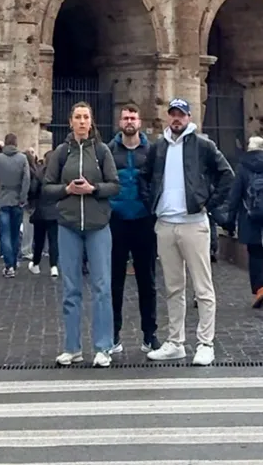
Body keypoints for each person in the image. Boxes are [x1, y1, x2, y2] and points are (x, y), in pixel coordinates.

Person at [144, 97, 233, 366]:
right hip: (166, 223)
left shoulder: (204, 145)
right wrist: (152, 201)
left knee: (202, 287)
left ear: (189, 117)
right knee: (173, 287)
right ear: (167, 117)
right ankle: (175, 342)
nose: (176, 119)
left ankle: (205, 343)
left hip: (194, 222)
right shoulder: (158, 146)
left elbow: (227, 175)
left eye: (181, 115)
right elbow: (145, 176)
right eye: (172, 114)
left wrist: (208, 203)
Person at [41, 101, 120, 367]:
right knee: (71, 289)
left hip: (98, 226)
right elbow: (47, 187)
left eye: (86, 117)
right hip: (69, 225)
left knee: (101, 288)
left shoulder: (102, 151)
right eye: (78, 117)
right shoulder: (61, 153)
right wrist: (67, 190)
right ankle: (72, 347)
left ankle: (102, 347)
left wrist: (93, 188)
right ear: (70, 122)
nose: (82, 121)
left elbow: (114, 185)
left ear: (91, 121)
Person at [107, 103, 160, 354]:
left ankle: (150, 334)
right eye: (126, 117)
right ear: (120, 122)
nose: (129, 121)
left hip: (144, 220)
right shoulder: (108, 151)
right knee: (114, 280)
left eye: (133, 117)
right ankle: (113, 334)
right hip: (116, 221)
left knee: (147, 281)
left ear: (139, 122)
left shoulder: (151, 151)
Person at [225, 136, 263, 307]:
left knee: (255, 255)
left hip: (249, 219)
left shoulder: (242, 169)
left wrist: (230, 220)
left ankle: (260, 290)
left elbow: (235, 197)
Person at [0, 132, 30, 277]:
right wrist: (23, 197)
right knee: (14, 233)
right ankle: (13, 262)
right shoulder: (23, 158)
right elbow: (26, 180)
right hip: (17, 199)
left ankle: (9, 265)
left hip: (3, 199)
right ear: (16, 143)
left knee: (4, 234)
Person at [28, 148, 60, 276]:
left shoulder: (39, 174)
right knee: (54, 240)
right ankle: (54, 266)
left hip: (40, 211)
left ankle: (36, 263)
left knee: (39, 240)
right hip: (55, 212)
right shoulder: (59, 175)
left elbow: (33, 190)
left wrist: (33, 202)